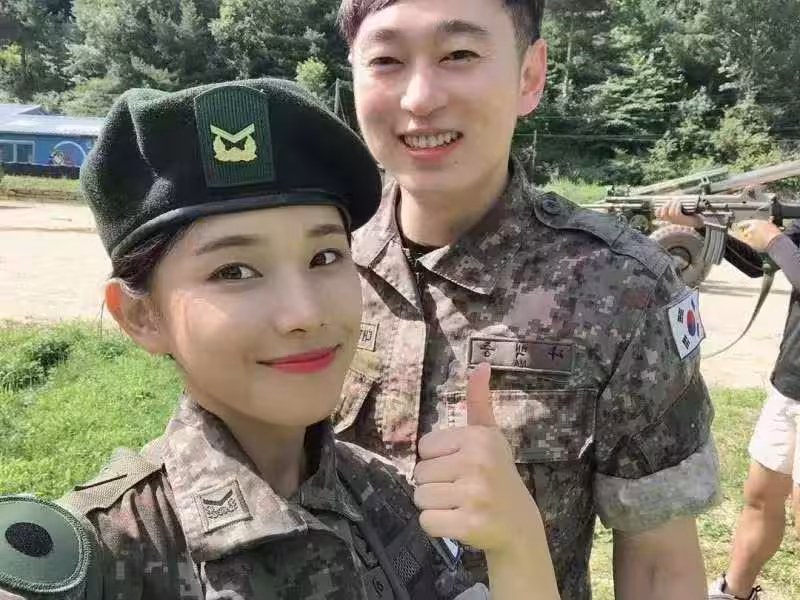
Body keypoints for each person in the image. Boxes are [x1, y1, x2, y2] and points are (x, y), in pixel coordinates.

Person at [0, 78, 560, 600]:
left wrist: (519, 544)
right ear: (142, 316)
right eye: (235, 271)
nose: (304, 314)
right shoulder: (100, 557)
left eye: (324, 256)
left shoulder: (387, 498)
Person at [331, 1, 721, 598]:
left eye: (459, 54)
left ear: (530, 75)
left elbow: (659, 565)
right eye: (386, 60)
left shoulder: (621, 288)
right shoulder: (317, 267)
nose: (419, 98)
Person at [657, 198, 800, 600]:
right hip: (791, 383)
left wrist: (775, 240)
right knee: (761, 497)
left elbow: (779, 252)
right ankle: (733, 592)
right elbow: (760, 264)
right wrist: (703, 226)